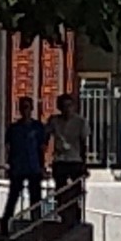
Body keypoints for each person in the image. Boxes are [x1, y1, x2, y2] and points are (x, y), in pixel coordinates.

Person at [0, 96, 45, 234]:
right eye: (23, 107)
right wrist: (9, 164)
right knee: (13, 196)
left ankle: (36, 224)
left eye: (27, 107)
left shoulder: (37, 127)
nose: (25, 111)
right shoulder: (14, 128)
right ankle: (5, 223)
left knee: (35, 197)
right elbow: (9, 147)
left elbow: (41, 148)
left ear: (31, 109)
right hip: (18, 167)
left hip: (34, 166)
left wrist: (42, 165)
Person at [45, 92, 87, 227]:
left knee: (76, 189)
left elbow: (83, 143)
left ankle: (76, 215)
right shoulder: (54, 121)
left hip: (75, 160)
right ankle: (62, 214)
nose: (67, 109)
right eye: (64, 106)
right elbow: (46, 138)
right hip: (60, 160)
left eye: (69, 106)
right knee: (60, 189)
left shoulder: (80, 122)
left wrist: (84, 164)